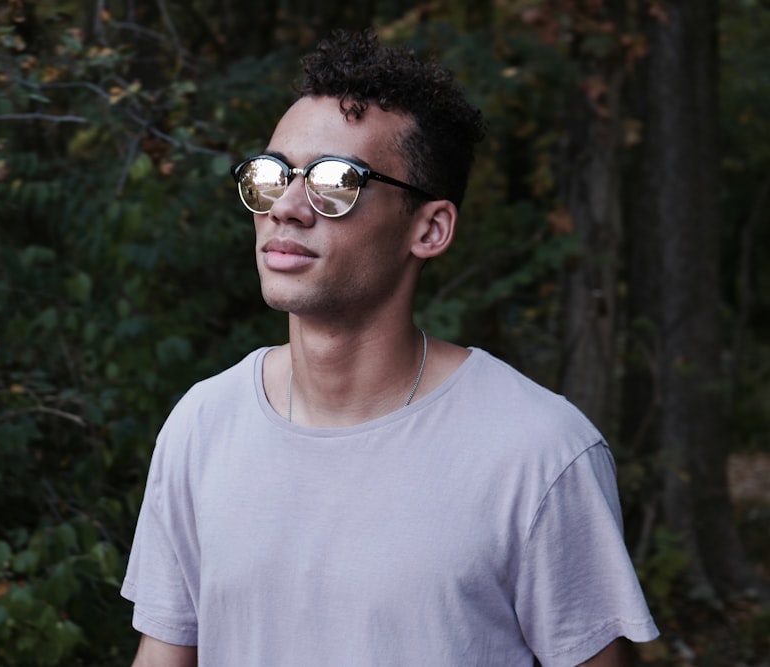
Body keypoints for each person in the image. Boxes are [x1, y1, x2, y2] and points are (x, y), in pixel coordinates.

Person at [121, 29, 659, 666]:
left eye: (336, 181)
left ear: (430, 228)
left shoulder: (538, 453)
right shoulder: (203, 426)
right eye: (272, 176)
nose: (287, 207)